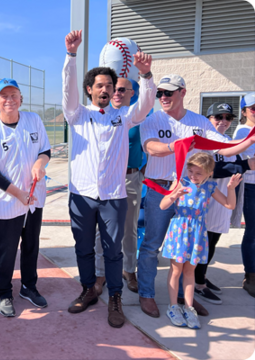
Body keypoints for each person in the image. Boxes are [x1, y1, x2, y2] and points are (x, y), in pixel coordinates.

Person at [139, 77, 255, 318]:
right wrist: (178, 145)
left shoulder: (199, 122)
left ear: (183, 92)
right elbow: (151, 148)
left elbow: (222, 147)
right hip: (162, 189)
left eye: (169, 92)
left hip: (191, 191)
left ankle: (185, 299)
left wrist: (249, 140)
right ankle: (147, 294)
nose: (163, 97)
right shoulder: (152, 119)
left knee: (188, 248)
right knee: (152, 245)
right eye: (160, 92)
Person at [62, 30, 156, 328]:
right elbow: (67, 90)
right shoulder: (78, 115)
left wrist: (147, 76)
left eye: (110, 85)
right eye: (99, 85)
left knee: (113, 252)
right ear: (89, 89)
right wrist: (71, 56)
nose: (106, 89)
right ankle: (88, 289)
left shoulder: (123, 116)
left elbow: (145, 104)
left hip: (114, 197)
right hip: (82, 195)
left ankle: (115, 298)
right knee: (84, 248)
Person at [0, 78, 51, 317]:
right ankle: (5, 292)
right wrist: (19, 194)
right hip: (8, 202)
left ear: (20, 98)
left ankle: (29, 287)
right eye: (4, 96)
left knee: (31, 246)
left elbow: (45, 150)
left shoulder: (33, 120)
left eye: (14, 95)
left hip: (34, 199)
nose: (9, 100)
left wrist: (40, 163)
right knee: (6, 251)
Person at [160, 153, 241, 329]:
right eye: (191, 171)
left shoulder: (210, 186)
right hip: (180, 229)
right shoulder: (181, 182)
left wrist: (231, 188)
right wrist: (174, 195)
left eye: (198, 173)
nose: (193, 176)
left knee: (190, 271)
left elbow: (230, 205)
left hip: (197, 232)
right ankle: (173, 306)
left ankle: (189, 308)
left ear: (209, 173)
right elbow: (163, 205)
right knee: (176, 270)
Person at [94, 78, 144, 295]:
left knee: (129, 228)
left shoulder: (139, 117)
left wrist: (142, 172)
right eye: (114, 88)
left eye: (122, 89)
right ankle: (100, 272)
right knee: (101, 230)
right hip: (106, 180)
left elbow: (150, 146)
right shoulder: (100, 115)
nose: (116, 92)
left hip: (130, 178)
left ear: (132, 93)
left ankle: (129, 270)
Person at [195, 103, 239, 304]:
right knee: (203, 243)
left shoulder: (230, 142)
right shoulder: (203, 142)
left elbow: (236, 168)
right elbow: (212, 169)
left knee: (213, 242)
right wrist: (241, 165)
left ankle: (201, 277)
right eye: (217, 117)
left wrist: (238, 166)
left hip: (222, 199)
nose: (223, 121)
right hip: (207, 200)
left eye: (228, 118)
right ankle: (198, 283)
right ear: (208, 119)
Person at [233, 92, 255, 298]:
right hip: (251, 186)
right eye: (253, 108)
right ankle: (250, 276)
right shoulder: (242, 131)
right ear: (244, 111)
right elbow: (248, 159)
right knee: (253, 232)